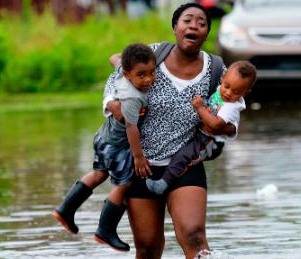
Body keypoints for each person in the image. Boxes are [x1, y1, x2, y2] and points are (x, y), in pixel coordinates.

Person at [104, 3, 234, 258]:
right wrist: (113, 106)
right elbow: (115, 81)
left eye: (201, 22)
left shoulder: (216, 70)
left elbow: (234, 105)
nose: (194, 25)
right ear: (175, 27)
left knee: (194, 235)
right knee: (148, 246)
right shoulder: (152, 54)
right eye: (187, 20)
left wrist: (227, 127)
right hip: (141, 164)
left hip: (185, 163)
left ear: (206, 33)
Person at [52, 43, 155, 252]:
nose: (148, 79)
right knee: (123, 185)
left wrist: (123, 61)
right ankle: (105, 230)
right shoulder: (133, 97)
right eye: (141, 75)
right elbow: (131, 128)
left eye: (152, 72)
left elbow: (114, 57)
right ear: (128, 75)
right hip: (118, 145)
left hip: (103, 138)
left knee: (99, 174)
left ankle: (65, 209)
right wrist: (138, 157)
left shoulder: (121, 70)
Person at [146, 60, 257, 195]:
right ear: (223, 78)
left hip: (210, 141)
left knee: (184, 156)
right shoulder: (220, 90)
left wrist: (199, 108)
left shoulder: (231, 107)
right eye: (227, 86)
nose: (228, 93)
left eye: (236, 92)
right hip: (202, 135)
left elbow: (215, 125)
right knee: (180, 151)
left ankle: (163, 183)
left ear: (245, 93)